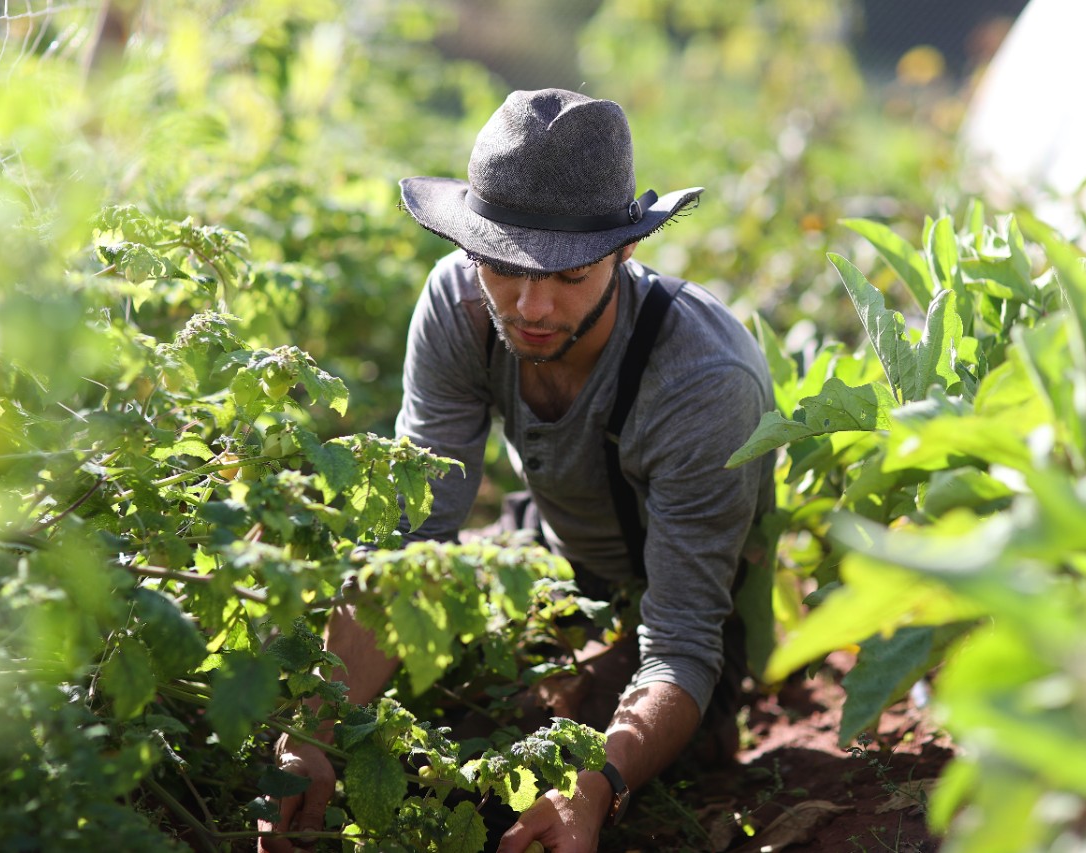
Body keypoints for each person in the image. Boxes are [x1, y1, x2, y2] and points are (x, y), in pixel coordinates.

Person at [259, 88, 775, 853]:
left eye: (568, 275)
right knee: (377, 719)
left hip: (684, 617)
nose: (531, 304)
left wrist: (595, 787)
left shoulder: (702, 380)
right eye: (503, 265)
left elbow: (682, 644)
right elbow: (416, 543)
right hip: (550, 556)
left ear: (626, 250)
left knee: (508, 775)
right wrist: (315, 731)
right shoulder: (462, 308)